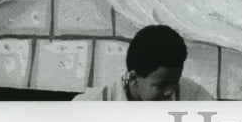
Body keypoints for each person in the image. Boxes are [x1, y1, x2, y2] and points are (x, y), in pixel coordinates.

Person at [74, 24, 214, 100]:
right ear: (134, 78)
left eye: (175, 81)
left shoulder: (194, 95)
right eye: (162, 85)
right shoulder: (92, 106)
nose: (171, 91)